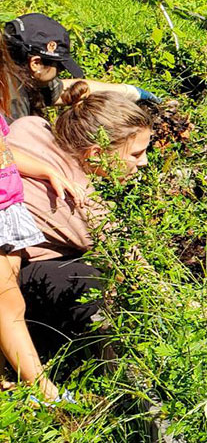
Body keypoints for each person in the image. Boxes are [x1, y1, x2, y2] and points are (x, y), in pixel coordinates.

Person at [6, 85, 152, 400]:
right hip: (16, 276)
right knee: (89, 283)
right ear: (96, 153)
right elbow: (133, 263)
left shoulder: (32, 126)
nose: (144, 163)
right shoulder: (77, 202)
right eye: (137, 154)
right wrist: (200, 313)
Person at [0, 44, 90, 403]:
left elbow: (5, 151)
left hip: (8, 209)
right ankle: (43, 392)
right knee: (9, 306)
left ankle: (12, 376)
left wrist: (48, 170)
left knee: (9, 303)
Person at [3, 13, 159, 120]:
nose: (60, 73)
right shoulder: (12, 100)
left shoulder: (16, 70)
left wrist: (130, 92)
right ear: (36, 63)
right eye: (60, 67)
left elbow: (64, 91)